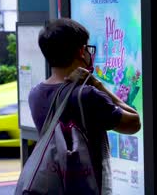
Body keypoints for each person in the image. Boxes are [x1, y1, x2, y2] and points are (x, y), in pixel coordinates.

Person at [29, 18, 141, 192]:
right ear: (81, 51)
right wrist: (98, 85)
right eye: (88, 48)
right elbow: (134, 122)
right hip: (86, 186)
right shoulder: (87, 95)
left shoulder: (35, 94)